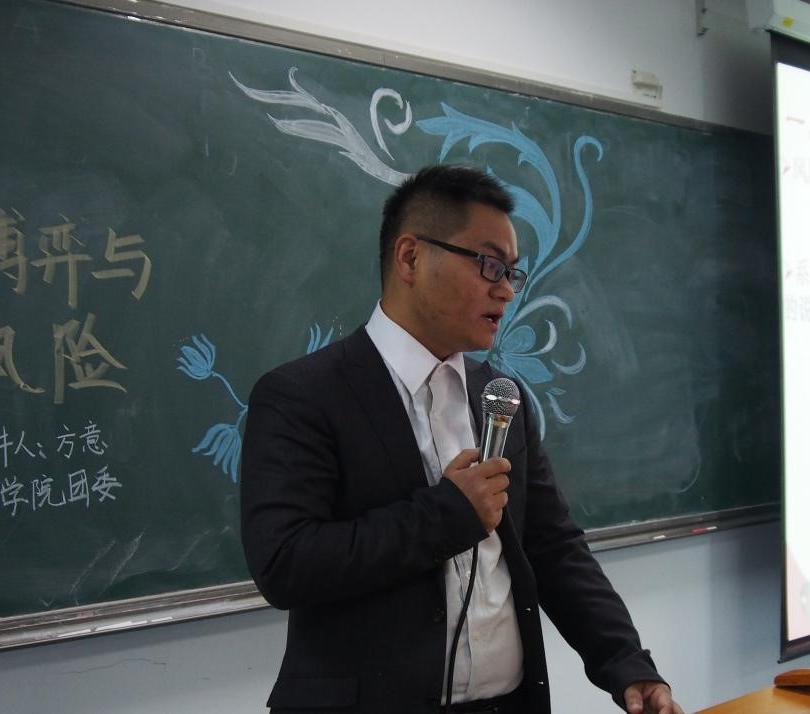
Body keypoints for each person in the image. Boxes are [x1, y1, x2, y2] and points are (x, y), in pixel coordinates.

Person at [241, 164, 683, 714]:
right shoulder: (302, 396)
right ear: (410, 258)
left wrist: (626, 662)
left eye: (512, 272)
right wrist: (447, 515)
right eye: (488, 264)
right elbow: (285, 564)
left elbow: (552, 546)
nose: (506, 290)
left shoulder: (500, 396)